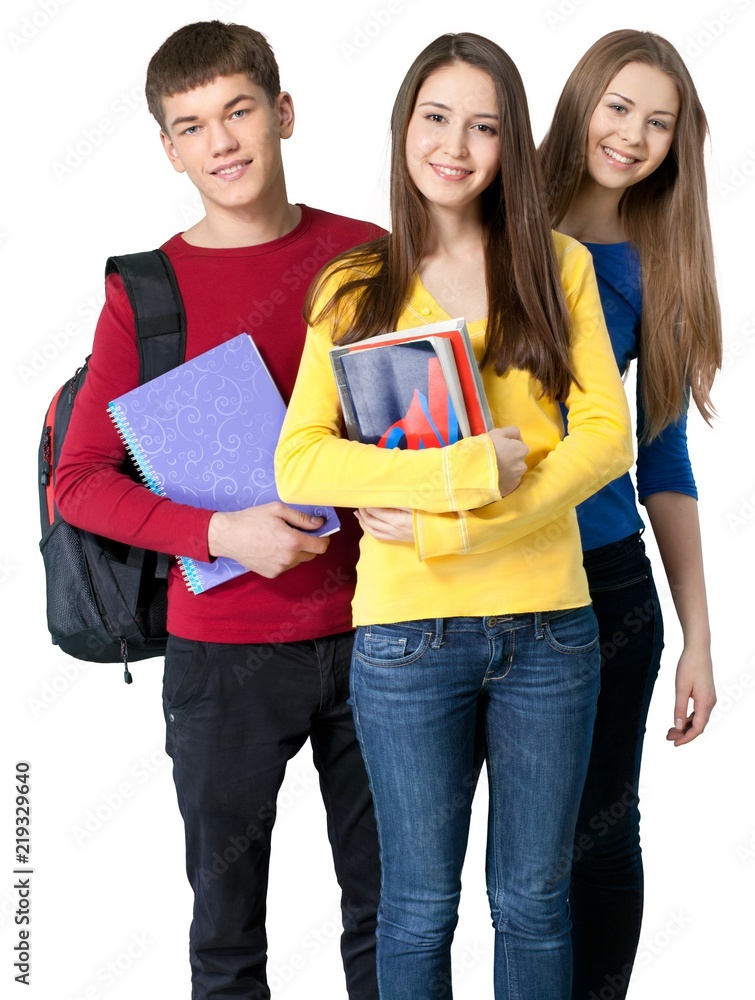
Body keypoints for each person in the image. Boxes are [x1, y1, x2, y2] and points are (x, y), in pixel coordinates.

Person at [275, 31, 634, 1000]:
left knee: (531, 902)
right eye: (435, 118)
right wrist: (460, 473)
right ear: (403, 128)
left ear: (509, 144)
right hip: (403, 638)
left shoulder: (555, 266)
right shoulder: (354, 286)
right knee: (417, 907)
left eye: (483, 126)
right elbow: (300, 456)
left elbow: (605, 438)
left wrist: (463, 526)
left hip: (549, 631)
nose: (455, 146)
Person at [55, 20, 383, 1000]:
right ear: (169, 149)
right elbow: (79, 479)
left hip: (384, 637)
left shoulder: (365, 253)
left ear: (281, 113)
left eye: (238, 110)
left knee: (396, 916)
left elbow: (418, 417)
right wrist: (219, 532)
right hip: (222, 657)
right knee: (227, 939)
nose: (222, 141)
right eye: (192, 125)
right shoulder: (146, 292)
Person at [538, 28, 721, 1000]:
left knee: (595, 833)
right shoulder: (493, 214)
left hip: (606, 589)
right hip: (475, 577)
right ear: (579, 102)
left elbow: (664, 460)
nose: (631, 136)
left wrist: (697, 636)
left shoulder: (653, 267)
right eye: (618, 107)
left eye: (657, 123)